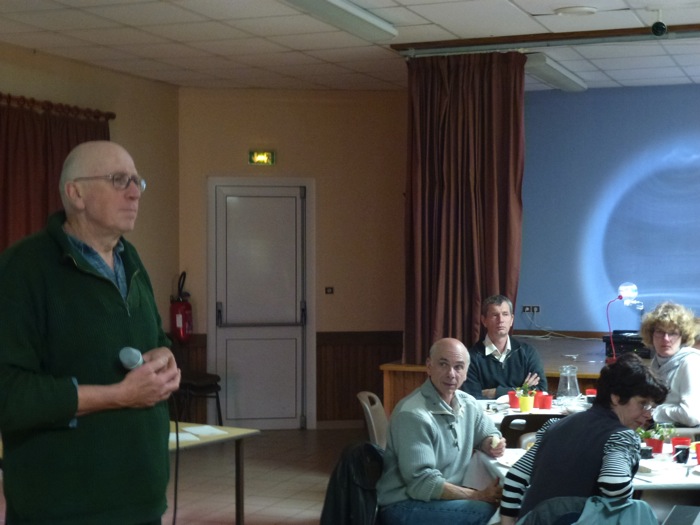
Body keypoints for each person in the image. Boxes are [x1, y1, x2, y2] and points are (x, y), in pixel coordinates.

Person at [0, 141, 181, 524]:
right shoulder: (23, 270)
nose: (134, 192)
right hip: (62, 509)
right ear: (76, 193)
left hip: (141, 500)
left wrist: (165, 357)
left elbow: (156, 341)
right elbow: (10, 394)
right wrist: (119, 396)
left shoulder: (130, 259)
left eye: (136, 181)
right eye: (118, 180)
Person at [499, 353, 668, 524]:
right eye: (643, 403)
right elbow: (613, 485)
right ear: (616, 397)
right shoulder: (621, 436)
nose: (648, 415)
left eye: (652, 407)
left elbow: (515, 477)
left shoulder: (555, 425)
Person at [377, 337, 505, 525]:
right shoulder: (413, 415)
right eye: (443, 364)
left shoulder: (468, 403)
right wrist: (477, 495)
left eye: (458, 367)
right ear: (429, 367)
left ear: (466, 372)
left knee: (503, 505)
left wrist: (491, 443)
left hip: (436, 498)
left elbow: (487, 433)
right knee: (486, 512)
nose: (451, 374)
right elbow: (422, 483)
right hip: (403, 504)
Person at [461, 295, 547, 400]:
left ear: (511, 320)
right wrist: (523, 390)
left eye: (505, 314)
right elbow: (472, 398)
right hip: (487, 411)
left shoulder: (528, 353)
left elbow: (541, 391)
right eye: (495, 315)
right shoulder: (471, 358)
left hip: (522, 410)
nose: (500, 320)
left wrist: (496, 392)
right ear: (484, 321)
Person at [640, 301, 700, 427]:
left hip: (682, 434)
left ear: (682, 336)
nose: (666, 339)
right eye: (660, 332)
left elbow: (692, 415)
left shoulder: (690, 362)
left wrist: (656, 412)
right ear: (651, 335)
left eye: (672, 333)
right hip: (659, 429)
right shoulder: (656, 362)